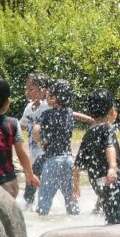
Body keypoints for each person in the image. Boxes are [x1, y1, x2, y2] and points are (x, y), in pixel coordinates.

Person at [72, 89, 120, 224]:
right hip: (113, 179)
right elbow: (110, 146)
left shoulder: (89, 133)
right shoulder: (107, 129)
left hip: (98, 182)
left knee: (112, 214)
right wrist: (112, 167)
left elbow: (77, 165)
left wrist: (76, 186)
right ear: (111, 111)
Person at [33, 79, 80, 215]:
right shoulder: (69, 112)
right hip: (68, 160)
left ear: (55, 98)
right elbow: (78, 116)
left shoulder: (47, 114)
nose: (47, 97)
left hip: (52, 161)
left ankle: (42, 224)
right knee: (71, 201)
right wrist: (92, 120)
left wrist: (41, 143)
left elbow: (36, 130)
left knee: (44, 202)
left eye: (49, 95)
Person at [20, 73, 50, 207]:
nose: (28, 92)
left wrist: (89, 119)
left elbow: (68, 112)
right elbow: (22, 126)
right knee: (36, 179)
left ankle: (28, 204)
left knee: (33, 178)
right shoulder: (29, 107)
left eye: (31, 89)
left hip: (44, 152)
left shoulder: (47, 106)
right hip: (33, 152)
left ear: (43, 90)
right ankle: (35, 206)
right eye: (27, 89)